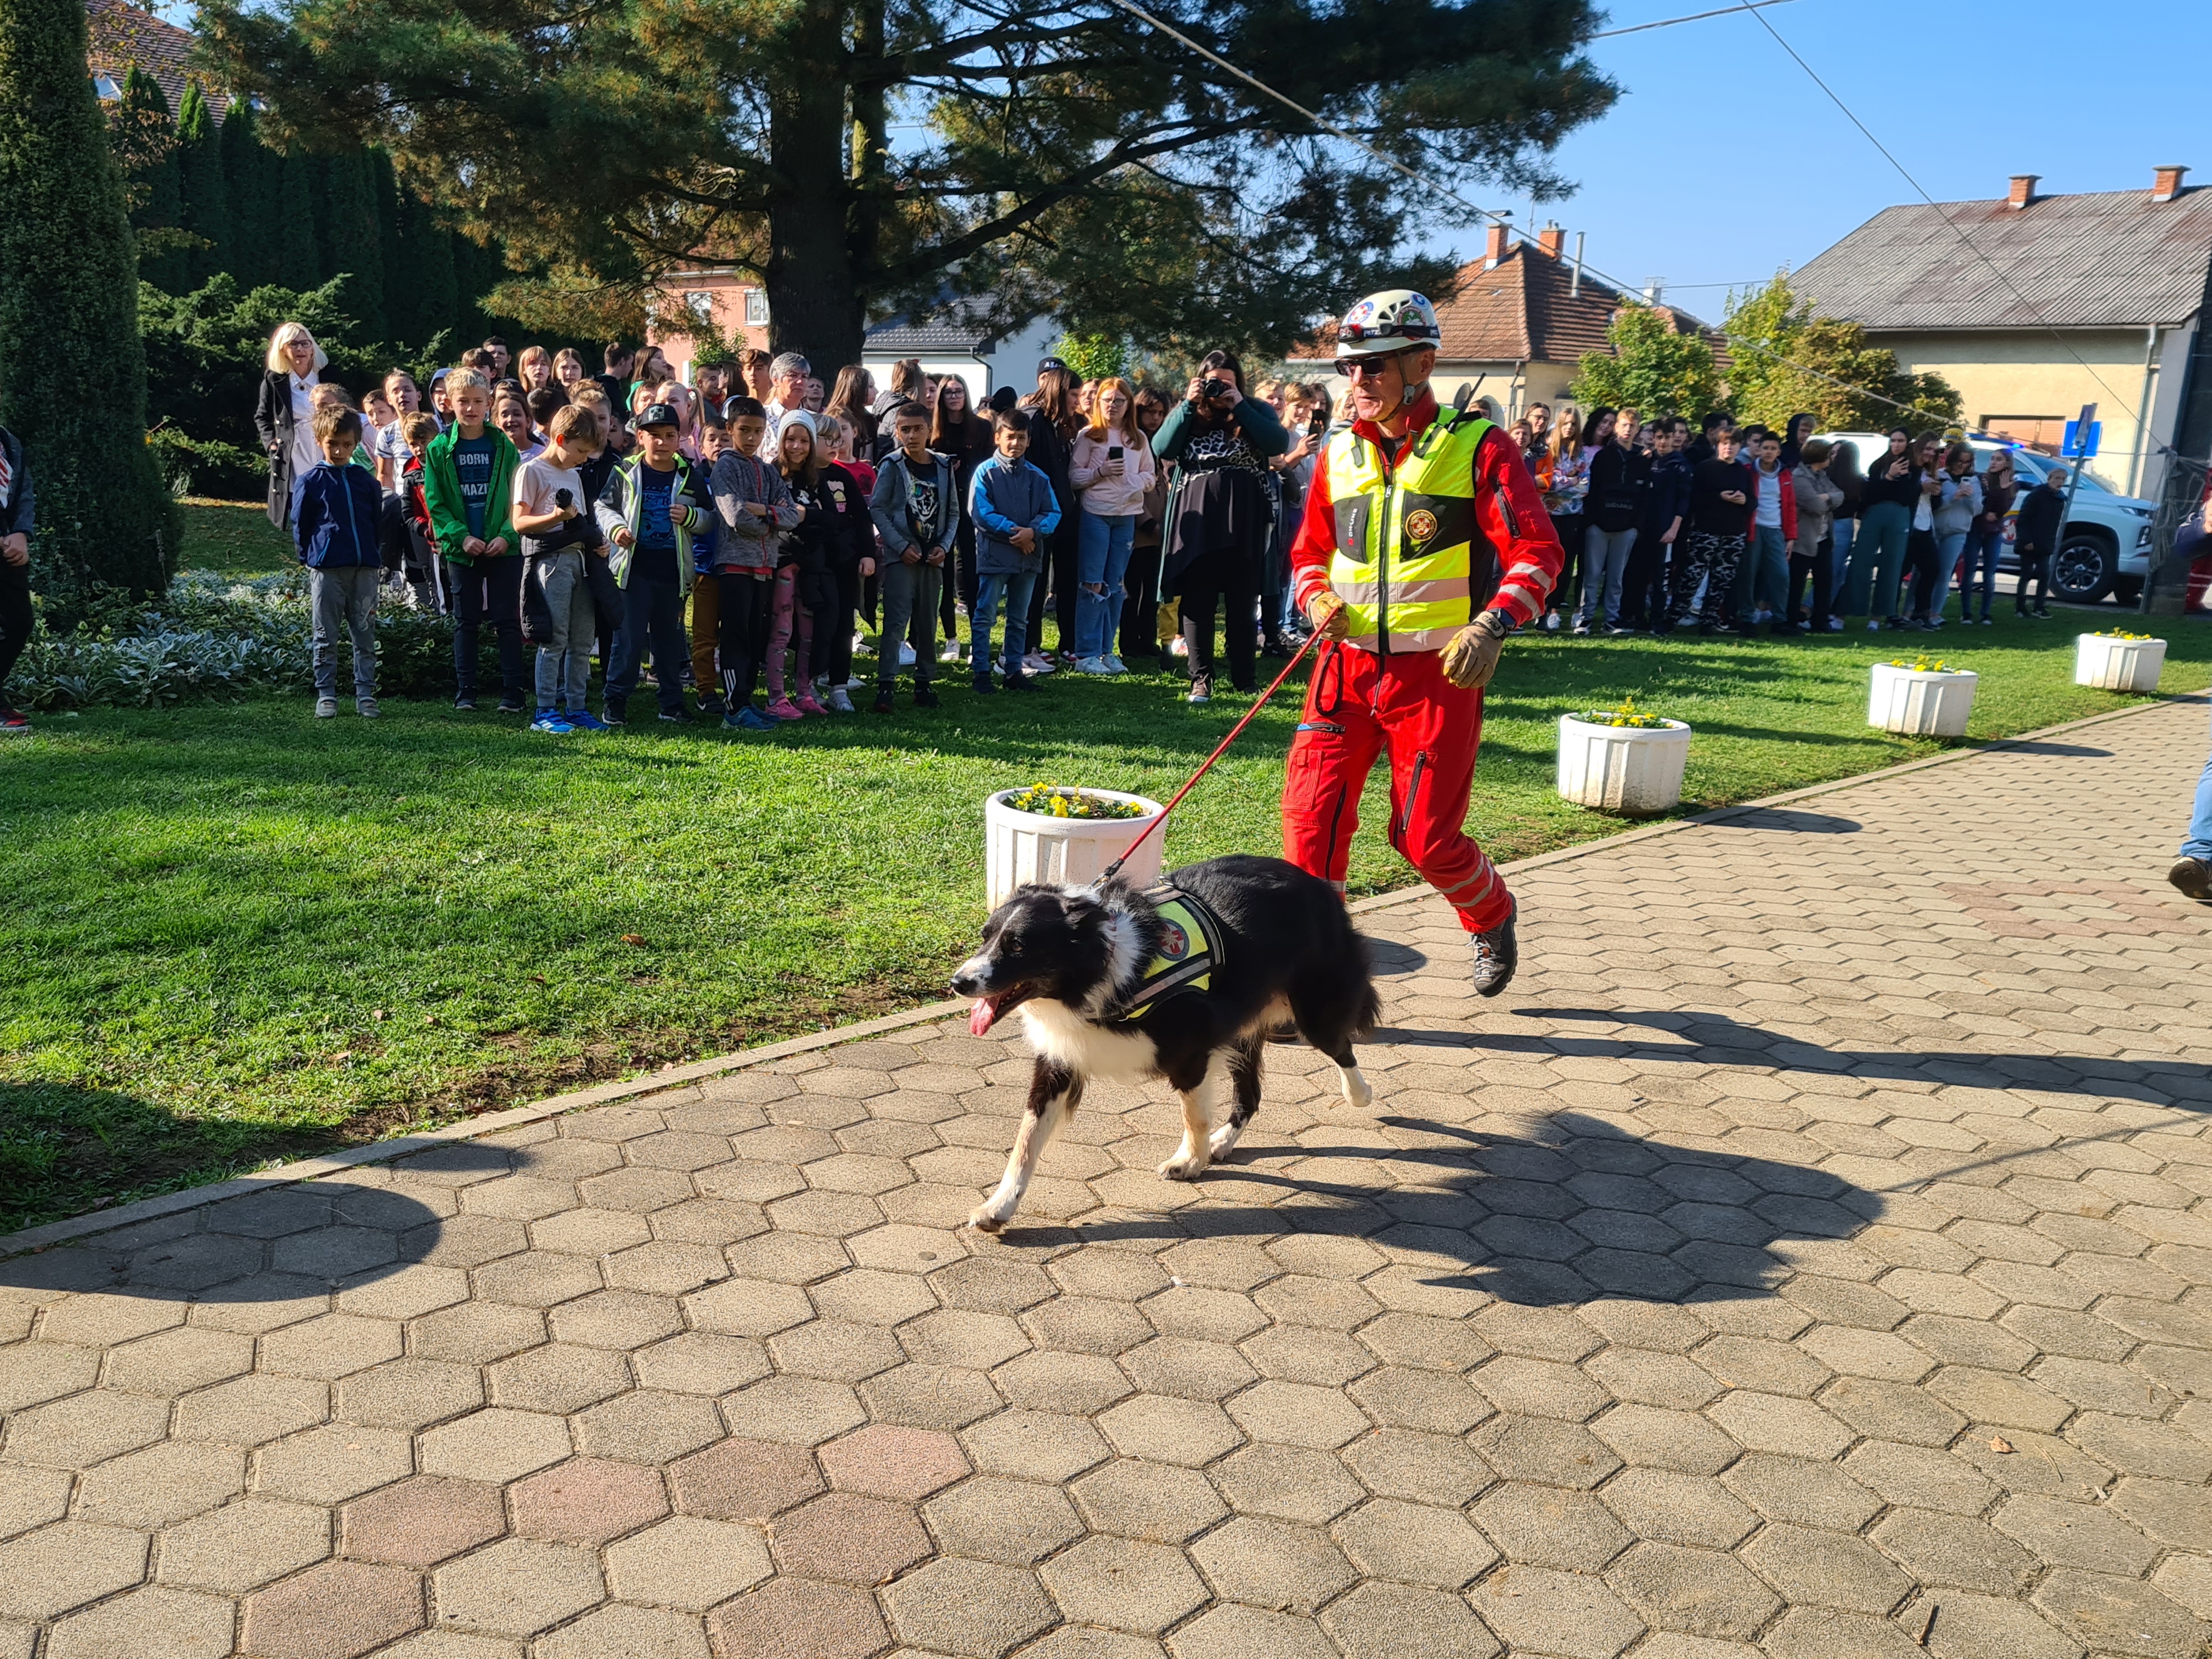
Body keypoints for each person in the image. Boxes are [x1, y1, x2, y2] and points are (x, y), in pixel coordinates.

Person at [1287, 290, 1562, 995]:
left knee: (1426, 841)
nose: (1357, 384)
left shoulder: (1479, 447)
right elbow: (1307, 555)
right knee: (1310, 826)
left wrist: (1494, 622)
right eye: (1349, 369)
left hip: (1438, 676)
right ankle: (1320, 978)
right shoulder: (1336, 454)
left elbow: (1537, 550)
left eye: (1373, 367)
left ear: (1422, 363)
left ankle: (1492, 914)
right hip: (1341, 672)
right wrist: (1316, 594)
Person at [1153, 351, 1290, 701]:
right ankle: (1201, 678)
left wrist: (1239, 404)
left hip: (1245, 516)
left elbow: (1277, 443)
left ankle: (1245, 678)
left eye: (1227, 382)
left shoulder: (1256, 409)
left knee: (1243, 599)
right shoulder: (1190, 412)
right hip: (1199, 516)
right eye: (1214, 381)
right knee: (1199, 600)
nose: (1220, 389)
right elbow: (1162, 446)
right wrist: (1187, 404)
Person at [422, 368, 526, 712]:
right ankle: (466, 691)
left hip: (503, 548)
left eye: (477, 401)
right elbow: (435, 503)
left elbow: (519, 498)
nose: (470, 408)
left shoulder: (504, 447)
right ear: (449, 403)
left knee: (506, 620)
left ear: (489, 404)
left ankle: (512, 692)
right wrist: (461, 536)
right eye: (462, 401)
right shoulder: (438, 449)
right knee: (465, 621)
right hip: (462, 551)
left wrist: (506, 535)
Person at [513, 403, 609, 733]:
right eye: (580, 451)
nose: (584, 458)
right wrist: (556, 517)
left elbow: (581, 521)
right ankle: (545, 710)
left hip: (581, 563)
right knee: (554, 639)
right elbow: (519, 523)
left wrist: (596, 542)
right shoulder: (532, 471)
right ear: (560, 439)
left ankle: (577, 707)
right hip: (551, 564)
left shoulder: (573, 474)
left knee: (582, 641)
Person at [291, 402, 386, 720]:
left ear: (356, 444)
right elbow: (301, 525)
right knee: (325, 634)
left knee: (365, 633)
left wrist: (374, 556)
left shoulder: (366, 481)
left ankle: (366, 694)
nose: (340, 450)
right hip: (328, 569)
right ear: (320, 440)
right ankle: (326, 693)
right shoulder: (310, 482)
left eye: (347, 445)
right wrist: (310, 558)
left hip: (365, 569)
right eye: (333, 444)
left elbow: (376, 521)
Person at [707, 396, 797, 730]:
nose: (751, 438)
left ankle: (745, 699)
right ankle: (733, 707)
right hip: (734, 566)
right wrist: (771, 520)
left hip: (765, 565)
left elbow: (792, 515)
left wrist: (768, 512)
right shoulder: (725, 467)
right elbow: (735, 516)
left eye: (758, 431)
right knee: (736, 637)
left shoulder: (768, 470)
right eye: (744, 430)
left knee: (756, 637)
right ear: (730, 430)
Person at [871, 402, 959, 711]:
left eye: (917, 429)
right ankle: (886, 686)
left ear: (929, 430)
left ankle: (924, 683)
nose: (911, 436)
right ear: (897, 432)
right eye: (905, 430)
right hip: (902, 557)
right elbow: (878, 508)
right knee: (895, 623)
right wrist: (898, 546)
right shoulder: (892, 466)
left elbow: (953, 512)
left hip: (933, 556)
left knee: (928, 622)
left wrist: (945, 547)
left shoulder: (944, 466)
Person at [1067, 377, 1156, 674]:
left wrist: (1132, 481)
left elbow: (1150, 478)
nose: (1113, 406)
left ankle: (1107, 651)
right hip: (1096, 513)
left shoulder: (1138, 439)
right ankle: (1086, 653)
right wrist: (1101, 471)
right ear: (1097, 403)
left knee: (1116, 585)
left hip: (1127, 516)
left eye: (1119, 401)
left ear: (1128, 404)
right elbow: (1074, 477)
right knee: (1093, 583)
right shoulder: (1089, 436)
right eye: (1107, 400)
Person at [967, 408, 1060, 695]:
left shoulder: (1039, 477)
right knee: (986, 615)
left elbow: (1053, 512)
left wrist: (1034, 532)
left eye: (1021, 438)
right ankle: (981, 671)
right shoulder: (985, 473)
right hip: (996, 557)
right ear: (998, 438)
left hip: (1028, 559)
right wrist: (1016, 534)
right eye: (1010, 437)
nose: (1015, 443)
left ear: (1029, 441)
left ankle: (1013, 671)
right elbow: (981, 514)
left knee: (1019, 619)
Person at [761, 412, 831, 720]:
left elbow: (834, 519)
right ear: (781, 441)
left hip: (811, 566)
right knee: (781, 629)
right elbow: (770, 514)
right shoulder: (770, 474)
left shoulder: (816, 478)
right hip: (782, 563)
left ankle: (804, 691)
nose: (797, 446)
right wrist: (797, 516)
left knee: (808, 632)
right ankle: (776, 696)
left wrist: (805, 515)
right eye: (791, 439)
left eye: (804, 440)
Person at [1019, 363, 1085, 673]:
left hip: (1065, 515)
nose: (1078, 400)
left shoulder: (1064, 424)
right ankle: (1027, 647)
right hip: (1039, 517)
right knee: (1036, 582)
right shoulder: (1033, 419)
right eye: (1074, 394)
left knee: (1067, 579)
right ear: (1059, 391)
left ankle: (1068, 643)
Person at [811, 415, 876, 712]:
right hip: (812, 563)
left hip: (846, 562)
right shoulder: (801, 476)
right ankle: (808, 685)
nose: (836, 446)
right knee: (814, 627)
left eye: (839, 440)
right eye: (828, 439)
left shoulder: (843, 477)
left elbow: (863, 518)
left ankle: (839, 688)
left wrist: (867, 553)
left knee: (843, 625)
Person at [1664, 426, 1753, 634]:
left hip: (1734, 532)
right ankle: (1673, 617)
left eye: (1733, 444)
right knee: (1692, 576)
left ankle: (1709, 620)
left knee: (1722, 579)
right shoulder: (1705, 468)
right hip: (1706, 531)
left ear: (1740, 446)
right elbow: (1694, 499)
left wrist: (1745, 500)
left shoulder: (1743, 471)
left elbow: (1753, 501)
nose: (1729, 448)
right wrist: (1719, 497)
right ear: (1718, 445)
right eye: (1725, 443)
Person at [255, 321, 338, 530]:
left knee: (331, 500)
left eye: (305, 344)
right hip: (294, 450)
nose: (300, 350)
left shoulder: (328, 373)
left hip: (326, 444)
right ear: (283, 349)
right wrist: (270, 443)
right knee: (302, 504)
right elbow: (262, 416)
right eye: (294, 345)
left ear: (313, 347)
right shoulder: (274, 380)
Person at [1576, 407, 1648, 634]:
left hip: (1627, 527)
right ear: (1617, 427)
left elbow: (1645, 495)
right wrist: (1591, 522)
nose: (1628, 429)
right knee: (1592, 575)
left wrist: (1636, 525)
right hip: (1599, 525)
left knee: (1616, 579)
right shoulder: (1603, 456)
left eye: (1633, 426)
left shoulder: (1642, 460)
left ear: (1638, 430)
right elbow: (1593, 491)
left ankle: (1611, 621)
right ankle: (1585, 619)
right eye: (1624, 425)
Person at [1122, 388, 1174, 670]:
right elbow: (1132, 488)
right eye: (1149, 412)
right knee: (1132, 590)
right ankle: (1129, 642)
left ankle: (1147, 640)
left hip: (1159, 533)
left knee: (1152, 589)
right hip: (1136, 526)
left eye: (1160, 413)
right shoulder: (1133, 442)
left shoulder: (1161, 445)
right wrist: (1149, 523)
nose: (1155, 418)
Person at [1851, 428, 1918, 629]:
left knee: (1892, 565)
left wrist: (1897, 481)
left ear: (1908, 443)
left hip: (1898, 518)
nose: (1896, 445)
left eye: (1901, 441)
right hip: (1874, 516)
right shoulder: (1879, 465)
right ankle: (1845, 613)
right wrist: (1889, 477)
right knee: (1859, 562)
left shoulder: (1914, 469)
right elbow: (1870, 495)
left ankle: (1878, 617)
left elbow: (1907, 497)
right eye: (1893, 440)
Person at [1627, 417, 1690, 632]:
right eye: (1660, 437)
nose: (1663, 442)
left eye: (1668, 437)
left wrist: (1674, 529)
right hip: (1642, 526)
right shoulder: (1646, 460)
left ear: (1675, 438)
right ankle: (1635, 617)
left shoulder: (1680, 465)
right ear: (1653, 438)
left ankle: (1657, 620)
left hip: (1665, 528)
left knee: (1660, 577)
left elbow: (1684, 500)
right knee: (1637, 574)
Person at [1915, 441, 1980, 629]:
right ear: (1952, 459)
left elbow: (1977, 511)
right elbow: (1935, 508)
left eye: (1967, 462)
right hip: (1934, 528)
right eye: (1960, 461)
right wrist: (1954, 498)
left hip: (1958, 531)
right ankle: (1911, 611)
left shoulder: (1974, 481)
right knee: (1922, 572)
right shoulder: (1940, 476)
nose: (1962, 465)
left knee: (1944, 573)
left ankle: (1935, 613)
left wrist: (1969, 497)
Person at [1739, 430, 1798, 632]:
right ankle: (1747, 617)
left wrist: (1791, 537)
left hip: (1776, 530)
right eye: (1765, 448)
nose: (1769, 452)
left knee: (1781, 575)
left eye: (1773, 449)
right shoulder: (1747, 471)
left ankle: (1779, 619)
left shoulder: (1785, 474)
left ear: (1779, 452)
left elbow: (1790, 506)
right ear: (1758, 450)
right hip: (1754, 528)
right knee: (1749, 574)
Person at [1534, 409, 1587, 630]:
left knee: (1564, 564)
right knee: (1544, 562)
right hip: (1547, 514)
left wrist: (1561, 483)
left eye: (1574, 424)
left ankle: (1555, 609)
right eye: (1566, 423)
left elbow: (1585, 487)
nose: (1569, 428)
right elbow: (1547, 483)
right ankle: (1539, 609)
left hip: (1571, 516)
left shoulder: (1580, 454)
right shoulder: (1547, 450)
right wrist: (1570, 482)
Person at [1789, 438, 1845, 635]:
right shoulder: (1799, 477)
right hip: (1804, 538)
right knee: (1797, 581)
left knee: (1824, 580)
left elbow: (1840, 495)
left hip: (1824, 537)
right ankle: (1790, 621)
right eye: (1829, 455)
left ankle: (1820, 621)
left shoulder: (1822, 476)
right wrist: (1826, 500)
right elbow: (1816, 506)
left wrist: (1828, 497)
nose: (1832, 458)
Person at [0, 409, 32, 733]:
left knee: (20, 622)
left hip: (8, 545)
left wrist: (22, 533)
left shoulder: (8, 442)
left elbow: (23, 492)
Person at [1962, 450, 2015, 625]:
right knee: (1969, 569)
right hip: (1975, 528)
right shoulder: (1981, 479)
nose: (1994, 462)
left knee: (1990, 572)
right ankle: (1966, 613)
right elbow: (1978, 503)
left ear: (2007, 464)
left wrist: (2003, 489)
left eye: (1999, 460)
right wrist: (1985, 513)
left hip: (1993, 531)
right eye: (1992, 458)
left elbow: (2003, 508)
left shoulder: (2012, 484)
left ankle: (1985, 613)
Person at [2014, 466, 2064, 618]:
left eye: (2063, 479)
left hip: (2045, 543)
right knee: (2026, 574)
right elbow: (2023, 519)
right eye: (2057, 478)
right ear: (2050, 478)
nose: (2060, 482)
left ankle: (2039, 607)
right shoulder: (2036, 495)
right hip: (2029, 543)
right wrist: (2026, 540)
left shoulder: (2060, 499)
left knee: (2044, 574)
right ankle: (2020, 607)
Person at [1823, 438, 1863, 632]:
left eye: (1838, 453)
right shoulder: (1826, 476)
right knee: (1832, 571)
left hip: (1842, 524)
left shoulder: (1850, 480)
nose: (1834, 456)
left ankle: (1817, 609)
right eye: (1832, 452)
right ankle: (1812, 608)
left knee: (1836, 572)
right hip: (1836, 524)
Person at [760, 352, 810, 457]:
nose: (800, 381)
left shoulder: (812, 419)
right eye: (793, 376)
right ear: (776, 381)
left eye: (804, 376)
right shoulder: (762, 416)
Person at [594, 343, 634, 410]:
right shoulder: (608, 387)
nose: (631, 368)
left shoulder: (598, 383)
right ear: (623, 361)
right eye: (630, 363)